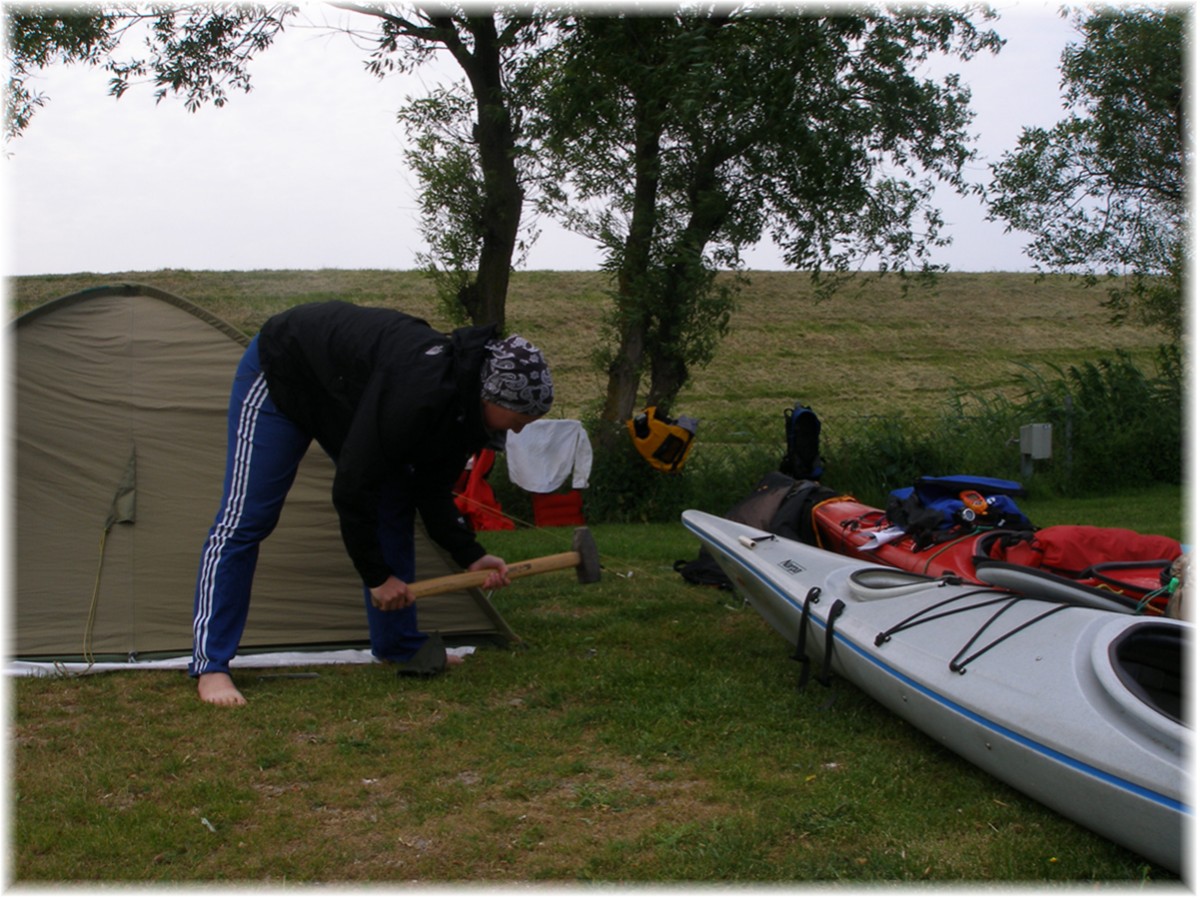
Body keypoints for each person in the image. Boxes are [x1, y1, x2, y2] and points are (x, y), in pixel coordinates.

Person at [190, 300, 554, 706]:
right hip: (283, 369)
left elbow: (431, 489)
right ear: (491, 394)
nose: (522, 427)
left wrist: (469, 554)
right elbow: (352, 488)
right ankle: (211, 666)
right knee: (246, 520)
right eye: (520, 415)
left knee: (394, 499)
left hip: (342, 391)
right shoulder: (418, 394)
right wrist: (377, 577)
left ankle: (397, 644)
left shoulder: (465, 410)